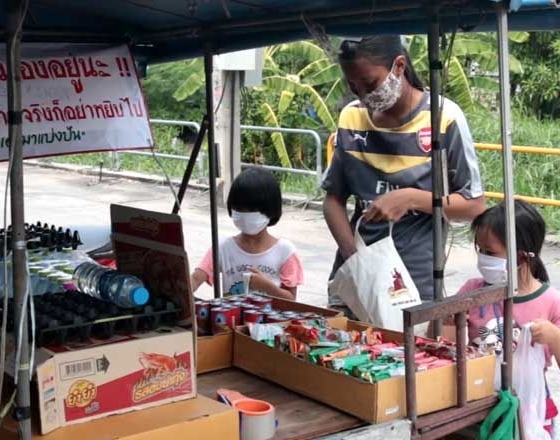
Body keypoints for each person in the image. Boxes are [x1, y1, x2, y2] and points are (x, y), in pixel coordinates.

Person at [322, 35, 486, 304]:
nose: (363, 95)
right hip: (355, 271)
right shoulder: (351, 117)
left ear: (399, 66)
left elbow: (474, 206)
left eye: (370, 84)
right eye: (353, 87)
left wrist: (410, 198)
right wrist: (355, 260)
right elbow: (333, 200)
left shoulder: (443, 117)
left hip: (413, 280)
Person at [457, 200, 560, 440]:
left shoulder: (551, 302)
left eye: (491, 252)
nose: (483, 259)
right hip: (478, 406)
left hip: (528, 410)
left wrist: (555, 337)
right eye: (479, 250)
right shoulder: (472, 291)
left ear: (523, 255)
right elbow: (446, 342)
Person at [191, 168, 304, 299]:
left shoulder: (285, 252)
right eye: (239, 208)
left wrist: (266, 286)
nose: (245, 214)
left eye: (252, 209)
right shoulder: (223, 248)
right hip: (232, 313)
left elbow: (291, 299)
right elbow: (195, 279)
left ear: (271, 209)